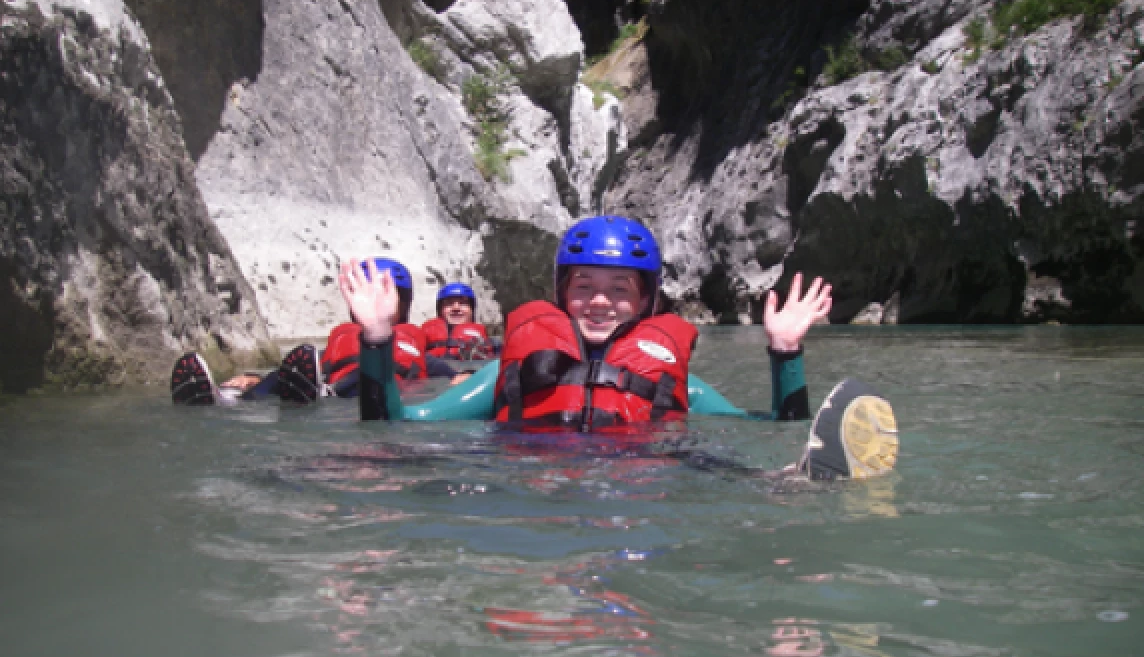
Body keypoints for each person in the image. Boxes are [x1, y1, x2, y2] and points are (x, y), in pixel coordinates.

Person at [327, 216, 897, 480]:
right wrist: (376, 338)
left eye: (619, 290)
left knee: (718, 467)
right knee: (374, 466)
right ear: (561, 294)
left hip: (640, 484)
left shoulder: (675, 383)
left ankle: (795, 482)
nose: (600, 303)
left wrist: (785, 352)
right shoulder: (509, 373)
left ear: (646, 302)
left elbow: (774, 426)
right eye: (584, 288)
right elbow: (392, 424)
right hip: (524, 480)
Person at [169, 257, 461, 404]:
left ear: (405, 304)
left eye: (385, 295)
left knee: (348, 382)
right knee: (292, 374)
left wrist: (464, 377)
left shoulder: (420, 353)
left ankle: (317, 394)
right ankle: (229, 399)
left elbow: (449, 374)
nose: (375, 300)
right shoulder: (332, 348)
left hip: (380, 398)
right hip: (331, 393)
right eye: (367, 292)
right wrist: (254, 379)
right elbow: (299, 368)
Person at [421, 283, 497, 360]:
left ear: (471, 310)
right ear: (440, 310)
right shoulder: (425, 333)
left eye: (463, 303)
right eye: (449, 303)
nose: (456, 308)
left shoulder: (492, 343)